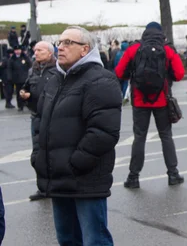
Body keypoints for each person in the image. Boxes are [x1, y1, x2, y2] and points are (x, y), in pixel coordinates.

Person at [31, 26, 122, 245]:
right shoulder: (55, 79)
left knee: (94, 240)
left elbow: (103, 132)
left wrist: (74, 164)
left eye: (67, 43)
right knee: (67, 240)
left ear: (85, 50)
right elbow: (39, 121)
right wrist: (38, 156)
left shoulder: (101, 80)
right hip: (58, 178)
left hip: (85, 180)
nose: (60, 47)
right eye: (59, 43)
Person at [115, 22, 185, 189]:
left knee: (139, 137)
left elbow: (119, 72)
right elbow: (180, 74)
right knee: (166, 136)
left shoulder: (134, 49)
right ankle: (173, 174)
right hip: (162, 100)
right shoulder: (167, 49)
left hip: (140, 100)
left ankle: (133, 177)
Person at [20, 41, 58, 201]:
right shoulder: (33, 70)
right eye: (35, 50)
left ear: (49, 53)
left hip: (53, 117)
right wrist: (23, 93)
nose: (36, 53)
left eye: (40, 50)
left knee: (54, 154)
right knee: (37, 154)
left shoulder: (58, 70)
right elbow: (26, 87)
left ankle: (56, 186)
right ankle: (43, 189)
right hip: (36, 116)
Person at [8, 46, 32, 111]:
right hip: (17, 78)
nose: (17, 51)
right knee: (19, 92)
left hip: (25, 78)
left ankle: (27, 104)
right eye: (16, 50)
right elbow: (9, 69)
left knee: (27, 91)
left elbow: (30, 65)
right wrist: (10, 77)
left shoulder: (25, 57)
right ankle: (20, 105)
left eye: (18, 50)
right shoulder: (12, 59)